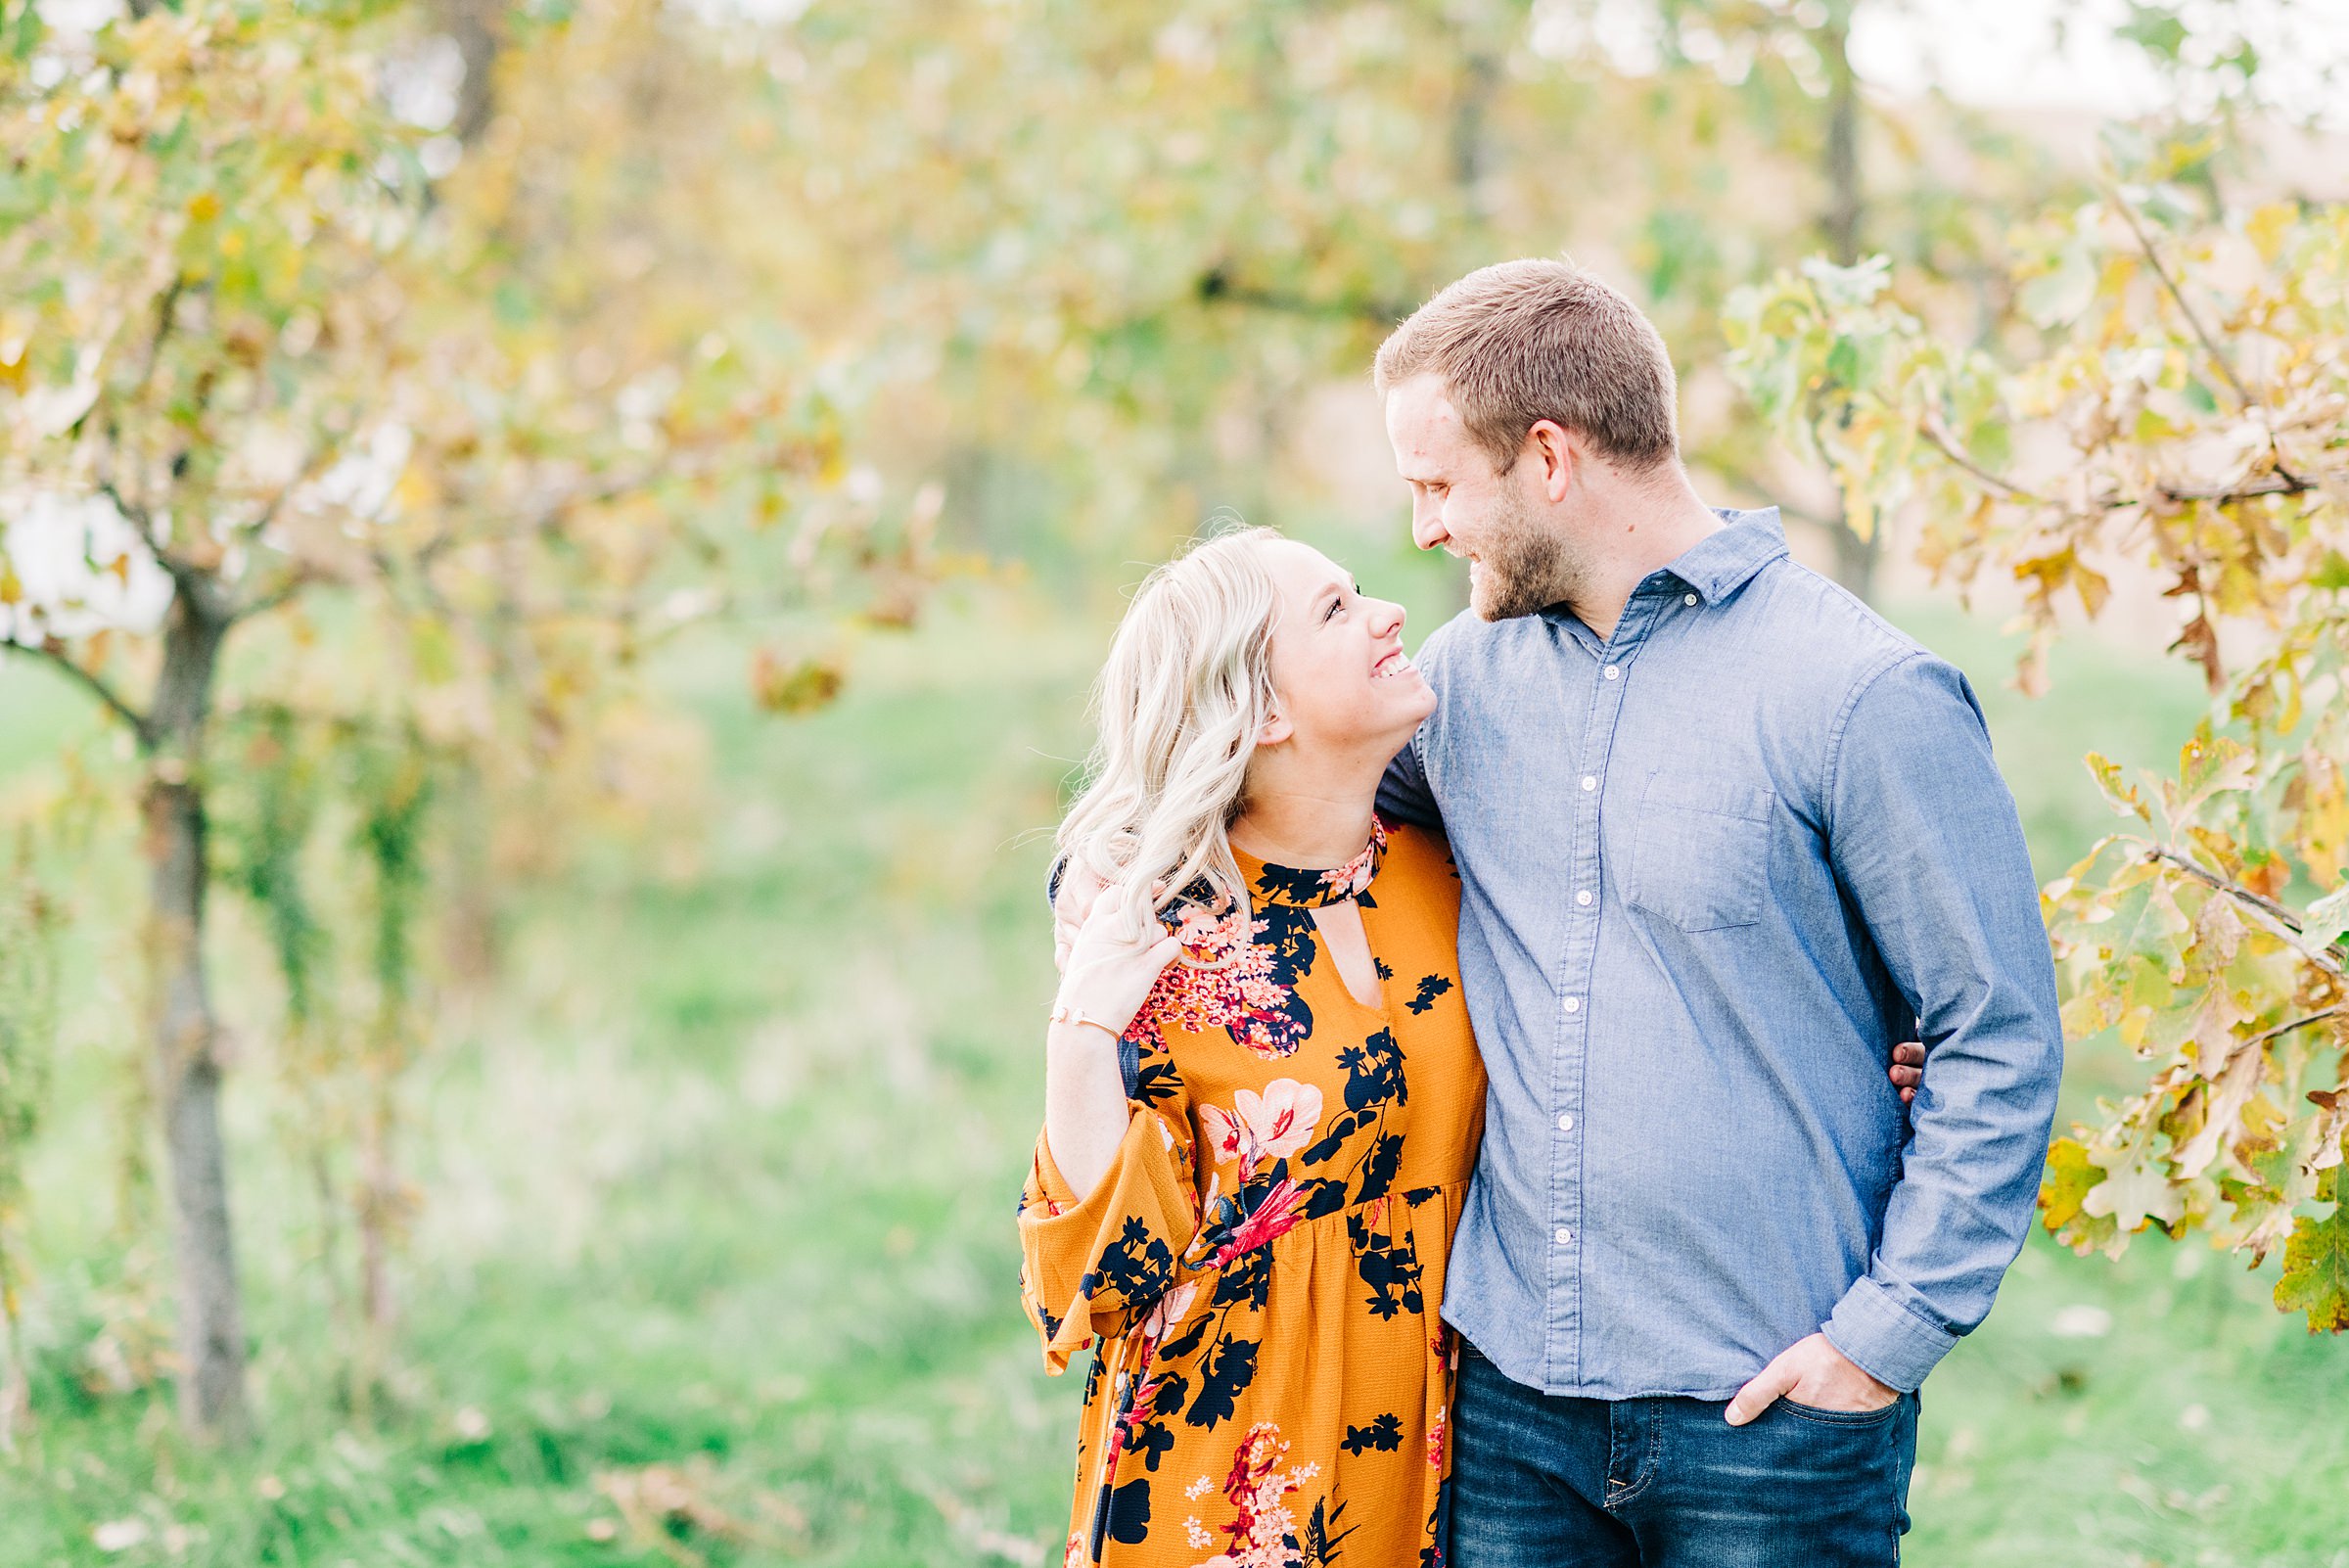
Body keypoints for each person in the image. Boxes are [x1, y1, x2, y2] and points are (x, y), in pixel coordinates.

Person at [1368, 258, 2063, 1568]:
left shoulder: (1862, 695)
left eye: (1438, 483)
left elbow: (1999, 1033)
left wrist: (1885, 1336)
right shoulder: (1457, 684)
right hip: (1511, 1406)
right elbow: (1284, 811)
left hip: (1776, 1420)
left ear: (1550, 456)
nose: (1422, 529)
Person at [1020, 528, 1484, 1567]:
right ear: (1263, 710)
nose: (1389, 612)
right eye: (1333, 610)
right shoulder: (1158, 938)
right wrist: (1083, 1031)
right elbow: (1099, 1285)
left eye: (1359, 591)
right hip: (1226, 1482)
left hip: (1447, 1455)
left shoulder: (1450, 871)